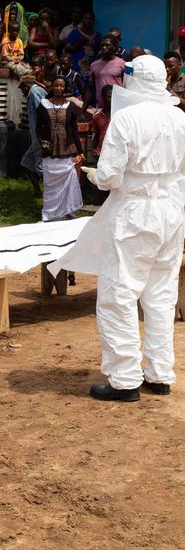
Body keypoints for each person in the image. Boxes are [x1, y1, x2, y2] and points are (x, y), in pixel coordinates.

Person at [51, 55, 185, 401]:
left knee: (119, 294)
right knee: (161, 294)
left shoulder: (127, 119)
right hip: (172, 211)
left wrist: (95, 174)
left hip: (136, 211)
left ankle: (125, 379)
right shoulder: (179, 117)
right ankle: (159, 373)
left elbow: (110, 176)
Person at [36, 76, 83, 221]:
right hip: (49, 150)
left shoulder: (71, 107)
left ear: (65, 88)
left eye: (62, 86)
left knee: (69, 183)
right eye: (56, 85)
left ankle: (67, 212)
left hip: (67, 149)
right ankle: (50, 213)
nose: (58, 88)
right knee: (50, 184)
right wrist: (41, 141)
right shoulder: (43, 105)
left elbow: (74, 130)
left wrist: (80, 151)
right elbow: (38, 127)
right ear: (52, 87)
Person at [81, 33, 125, 113]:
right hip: (101, 108)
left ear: (115, 47)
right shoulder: (94, 65)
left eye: (107, 45)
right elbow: (90, 89)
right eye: (102, 45)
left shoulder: (122, 64)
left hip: (118, 107)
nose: (104, 47)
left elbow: (126, 86)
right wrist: (83, 111)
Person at [19, 74, 47, 197]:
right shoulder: (36, 92)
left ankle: (54, 194)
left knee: (41, 168)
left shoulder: (35, 93)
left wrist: (42, 138)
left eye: (22, 88)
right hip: (36, 138)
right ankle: (37, 192)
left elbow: (42, 115)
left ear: (26, 86)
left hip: (40, 138)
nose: (22, 92)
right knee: (26, 163)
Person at [64, 10, 101, 85]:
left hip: (92, 66)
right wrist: (79, 44)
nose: (88, 20)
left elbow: (100, 51)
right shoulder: (75, 33)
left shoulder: (98, 35)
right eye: (86, 18)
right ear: (82, 20)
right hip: (77, 65)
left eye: (91, 19)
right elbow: (67, 48)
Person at [92, 84, 112, 156]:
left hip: (116, 152)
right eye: (109, 97)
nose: (112, 99)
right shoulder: (97, 116)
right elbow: (96, 135)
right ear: (103, 97)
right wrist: (94, 149)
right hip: (102, 152)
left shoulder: (119, 115)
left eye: (113, 97)